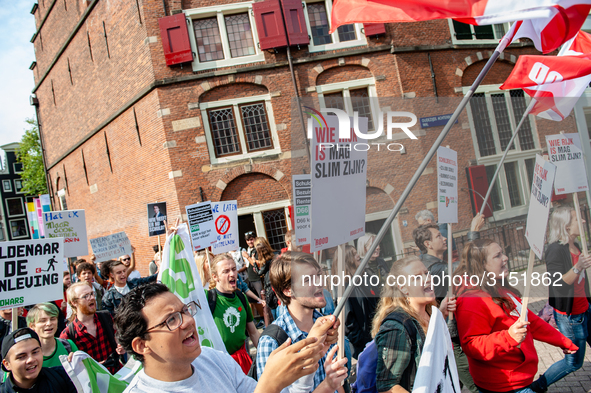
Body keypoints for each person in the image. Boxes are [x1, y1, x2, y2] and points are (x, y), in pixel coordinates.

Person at [115, 282, 329, 393]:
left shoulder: (213, 360)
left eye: (186, 310)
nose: (189, 321)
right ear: (142, 345)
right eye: (171, 320)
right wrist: (269, 385)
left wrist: (306, 361)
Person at [454, 239, 579, 393]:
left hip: (520, 379)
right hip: (504, 385)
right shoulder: (473, 300)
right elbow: (471, 345)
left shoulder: (502, 289)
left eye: (502, 253)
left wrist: (563, 341)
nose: (505, 257)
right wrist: (509, 337)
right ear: (482, 265)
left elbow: (531, 321)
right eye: (497, 256)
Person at [258, 251, 348, 393]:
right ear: (288, 290)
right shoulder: (272, 342)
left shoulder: (325, 326)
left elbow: (338, 384)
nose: (319, 282)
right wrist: (327, 386)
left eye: (319, 274)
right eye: (308, 279)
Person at [371, 255, 455, 392]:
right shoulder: (397, 327)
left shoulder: (433, 315)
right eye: (417, 277)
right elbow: (387, 386)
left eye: (426, 273)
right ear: (403, 288)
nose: (427, 278)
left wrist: (441, 314)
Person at [542, 206, 591, 388]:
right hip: (571, 316)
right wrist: (578, 267)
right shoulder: (555, 249)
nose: (584, 221)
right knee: (573, 363)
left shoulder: (576, 245)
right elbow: (558, 285)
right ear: (566, 226)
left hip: (585, 307)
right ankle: (539, 385)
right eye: (578, 219)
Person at [209, 253, 260, 373]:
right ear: (215, 277)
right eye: (225, 271)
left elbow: (253, 332)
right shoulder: (208, 300)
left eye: (233, 269)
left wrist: (267, 355)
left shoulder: (241, 297)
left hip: (243, 363)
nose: (232, 274)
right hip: (220, 367)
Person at [60, 282, 125, 374]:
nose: (91, 298)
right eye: (85, 296)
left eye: (91, 294)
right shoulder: (68, 334)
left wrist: (121, 346)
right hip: (92, 383)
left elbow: (117, 338)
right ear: (74, 302)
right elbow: (68, 370)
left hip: (116, 374)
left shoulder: (105, 317)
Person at [0, 327, 76, 392]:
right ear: (7, 364)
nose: (31, 360)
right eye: (21, 357)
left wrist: (80, 367)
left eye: (35, 352)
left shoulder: (63, 377)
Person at [343, 245, 379, 358]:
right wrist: (363, 342)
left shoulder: (366, 277)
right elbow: (348, 321)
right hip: (366, 344)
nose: (358, 255)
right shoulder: (346, 286)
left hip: (377, 336)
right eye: (353, 254)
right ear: (348, 260)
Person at [26, 303, 77, 368]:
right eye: (43, 321)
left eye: (52, 319)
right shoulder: (26, 354)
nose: (49, 323)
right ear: (32, 326)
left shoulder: (68, 345)